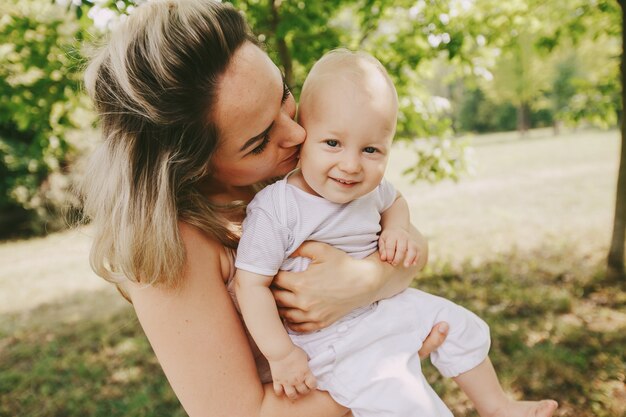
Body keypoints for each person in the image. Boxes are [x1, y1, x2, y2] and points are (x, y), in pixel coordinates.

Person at [79, 1, 449, 416]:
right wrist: (382, 359)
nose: (295, 132)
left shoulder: (289, 170)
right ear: (190, 166)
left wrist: (370, 282)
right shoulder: (170, 250)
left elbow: (408, 242)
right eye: (258, 141)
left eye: (284, 95)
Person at [234, 50, 559, 417]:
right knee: (408, 402)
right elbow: (250, 285)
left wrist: (397, 227)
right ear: (304, 135)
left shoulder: (370, 189)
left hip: (382, 306)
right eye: (333, 144)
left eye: (371, 149)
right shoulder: (277, 208)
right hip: (331, 340)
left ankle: (497, 406)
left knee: (460, 326)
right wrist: (281, 354)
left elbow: (396, 200)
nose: (352, 165)